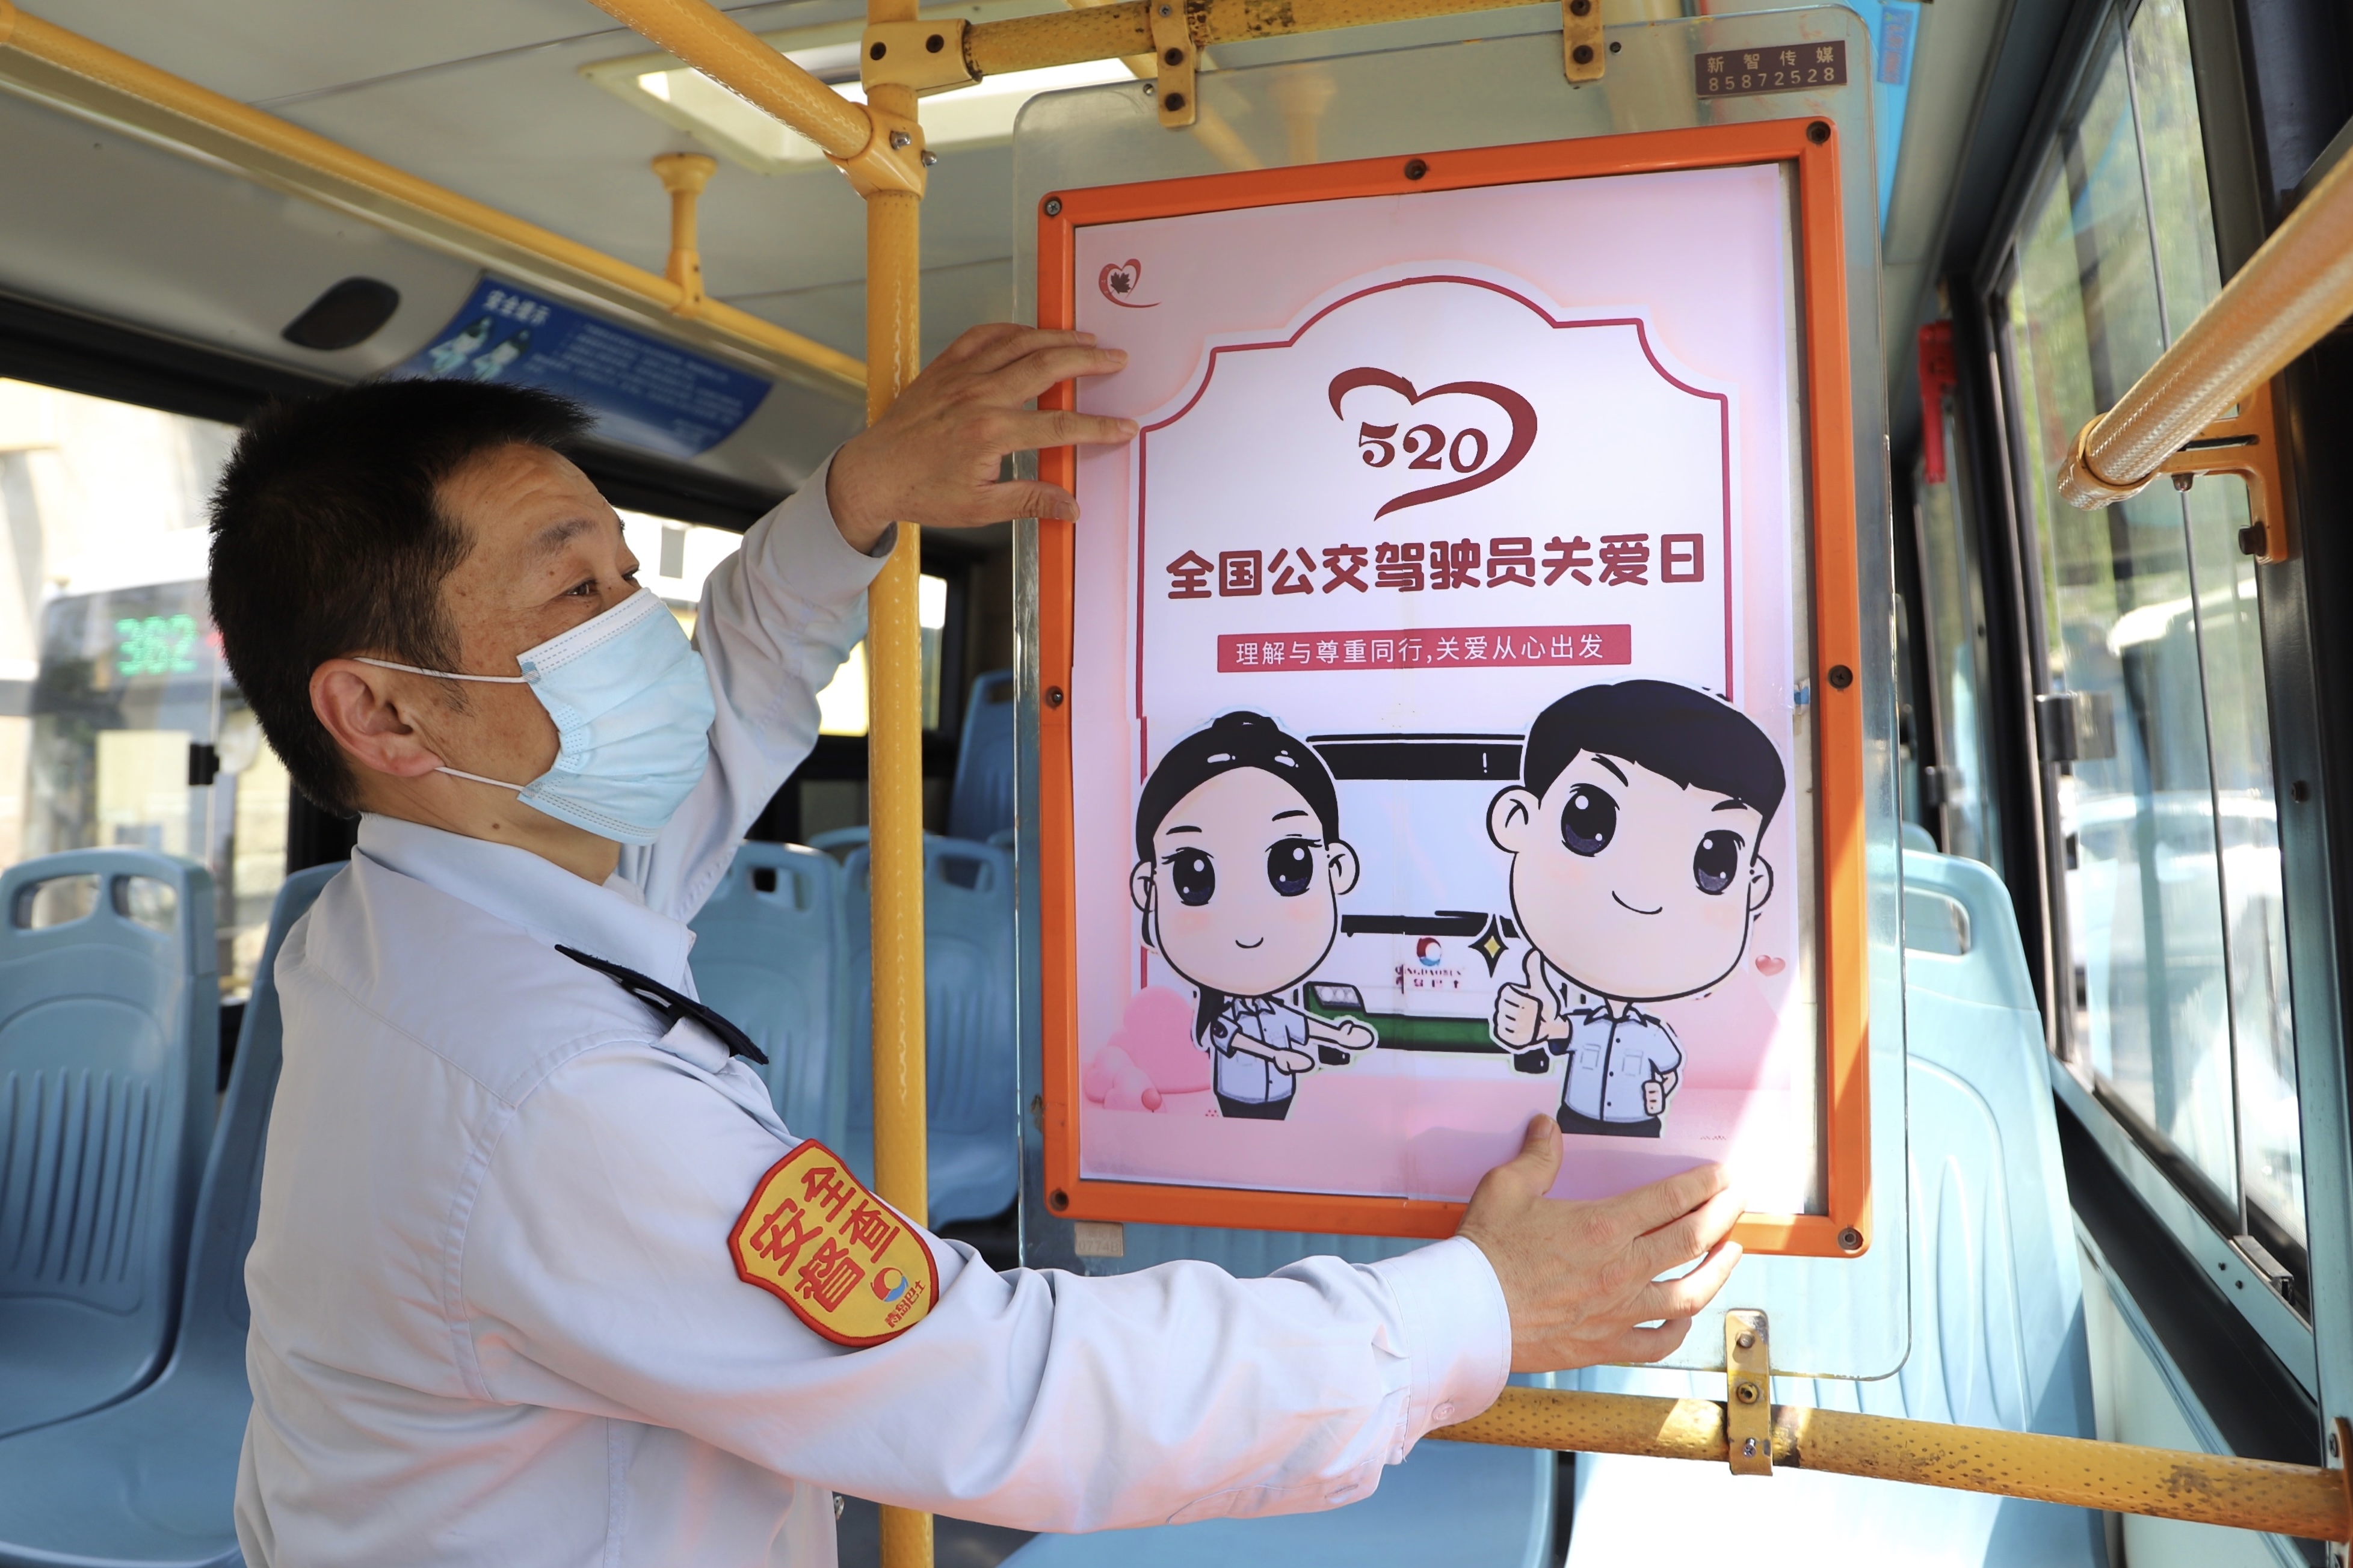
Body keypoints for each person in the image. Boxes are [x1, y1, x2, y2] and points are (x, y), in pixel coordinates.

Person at [210, 325, 1744, 1566]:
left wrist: (854, 500)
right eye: (573, 589)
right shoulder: (550, 1093)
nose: (642, 632)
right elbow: (1004, 1389)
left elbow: (732, 693)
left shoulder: (422, 912)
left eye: (626, 574)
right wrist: (1471, 1310)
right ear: (382, 710)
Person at [1485, 680, 1786, 1137]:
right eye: (1588, 821)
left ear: (1753, 885)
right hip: (1569, 1123)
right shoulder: (1583, 1022)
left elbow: (1669, 1070)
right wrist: (1532, 1026)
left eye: (1715, 862)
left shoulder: (1702, 1031)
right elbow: (1556, 1032)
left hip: (1641, 1126)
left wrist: (1660, 1092)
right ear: (1518, 821)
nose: (1644, 895)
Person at [1129, 710, 1378, 1120]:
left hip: (1280, 1094)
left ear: (1336, 869)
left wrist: (1338, 1034)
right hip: (1239, 1096)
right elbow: (1230, 1038)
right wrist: (1277, 1055)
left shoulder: (1274, 1011)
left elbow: (1302, 1026)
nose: (1247, 924)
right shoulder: (1223, 1015)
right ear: (1148, 889)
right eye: (1194, 876)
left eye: (1291, 866)